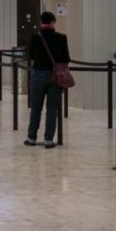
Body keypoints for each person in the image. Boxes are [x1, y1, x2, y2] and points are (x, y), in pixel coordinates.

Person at [24, 11, 70, 149]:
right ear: (52, 22)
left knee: (36, 108)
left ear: (41, 22)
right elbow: (66, 58)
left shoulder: (34, 37)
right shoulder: (61, 38)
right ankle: (48, 140)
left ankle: (31, 138)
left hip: (38, 74)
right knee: (52, 110)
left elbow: (30, 55)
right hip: (55, 77)